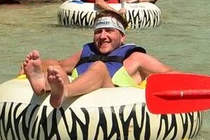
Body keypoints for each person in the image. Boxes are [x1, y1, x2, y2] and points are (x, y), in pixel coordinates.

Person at [20, 12, 172, 108]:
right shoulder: (86, 53)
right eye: (98, 31)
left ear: (122, 36)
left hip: (111, 105)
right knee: (56, 70)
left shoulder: (136, 58)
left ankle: (65, 91)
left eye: (109, 31)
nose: (102, 36)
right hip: (76, 103)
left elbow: (170, 73)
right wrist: (37, 66)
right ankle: (42, 86)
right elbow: (59, 64)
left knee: (99, 67)